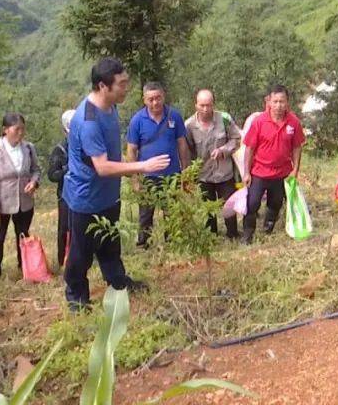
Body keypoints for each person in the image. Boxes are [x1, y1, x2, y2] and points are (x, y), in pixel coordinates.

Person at [63, 58, 170, 311]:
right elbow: (102, 167)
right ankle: (76, 296)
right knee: (81, 252)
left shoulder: (111, 107)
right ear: (103, 86)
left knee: (110, 244)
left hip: (108, 195)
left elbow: (113, 154)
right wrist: (142, 167)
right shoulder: (88, 121)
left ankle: (118, 282)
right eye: (121, 84)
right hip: (86, 198)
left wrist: (130, 172)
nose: (126, 89)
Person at [126, 82, 191, 247]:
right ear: (144, 100)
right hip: (148, 177)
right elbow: (131, 150)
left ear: (164, 96)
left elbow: (182, 145)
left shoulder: (174, 116)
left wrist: (186, 172)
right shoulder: (137, 120)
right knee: (145, 214)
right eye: (151, 99)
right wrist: (135, 179)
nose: (155, 103)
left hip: (172, 175)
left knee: (172, 212)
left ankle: (172, 242)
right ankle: (143, 245)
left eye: (158, 98)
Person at [242, 84, 305, 244]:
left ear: (287, 102)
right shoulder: (259, 121)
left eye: (282, 101)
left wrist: (295, 169)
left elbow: (297, 147)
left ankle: (268, 227)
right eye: (275, 101)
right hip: (259, 172)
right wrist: (246, 172)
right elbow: (249, 148)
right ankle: (248, 234)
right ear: (269, 102)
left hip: (282, 173)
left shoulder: (293, 122)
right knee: (252, 203)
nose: (278, 105)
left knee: (276, 202)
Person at [0, 112, 41, 277]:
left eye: (23, 129)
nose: (20, 133)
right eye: (17, 129)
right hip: (1, 204)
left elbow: (36, 170)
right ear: (5, 130)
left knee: (23, 236)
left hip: (24, 202)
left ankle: (26, 269)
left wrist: (34, 182)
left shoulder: (29, 148)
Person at [184, 89, 242, 238]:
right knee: (207, 209)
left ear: (213, 105)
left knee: (228, 207)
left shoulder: (224, 119)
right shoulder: (189, 126)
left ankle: (232, 235)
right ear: (195, 105)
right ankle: (212, 237)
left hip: (225, 173)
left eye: (208, 105)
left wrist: (224, 150)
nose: (205, 109)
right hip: (204, 175)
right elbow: (187, 151)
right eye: (202, 105)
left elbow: (236, 140)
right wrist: (189, 175)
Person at [48, 109, 76, 268]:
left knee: (80, 227)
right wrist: (68, 169)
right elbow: (52, 175)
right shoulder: (60, 150)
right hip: (65, 195)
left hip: (83, 193)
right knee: (64, 228)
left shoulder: (86, 145)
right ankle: (62, 259)